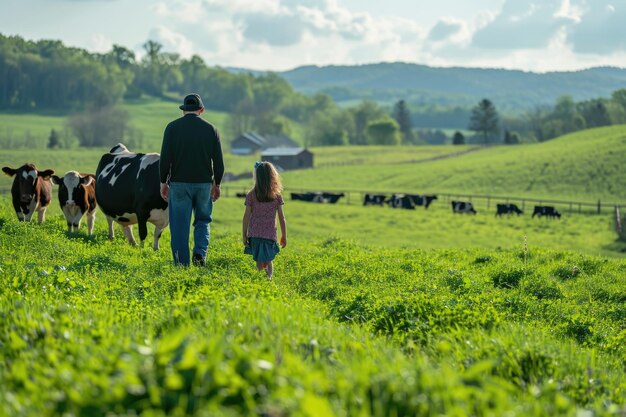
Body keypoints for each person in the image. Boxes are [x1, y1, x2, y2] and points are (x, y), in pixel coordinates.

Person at [159, 93, 224, 267]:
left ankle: (181, 264)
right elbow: (218, 161)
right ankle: (200, 253)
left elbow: (165, 158)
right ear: (201, 110)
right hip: (204, 184)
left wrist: (163, 182)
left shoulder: (172, 128)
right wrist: (217, 184)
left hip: (178, 184)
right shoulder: (211, 129)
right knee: (203, 220)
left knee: (179, 226)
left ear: (183, 111)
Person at [242, 161, 287, 279]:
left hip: (255, 233)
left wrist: (244, 234)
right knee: (269, 259)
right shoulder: (277, 196)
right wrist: (284, 235)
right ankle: (269, 279)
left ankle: (260, 279)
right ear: (273, 176)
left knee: (259, 260)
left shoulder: (251, 195)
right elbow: (282, 218)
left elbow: (246, 216)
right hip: (270, 234)